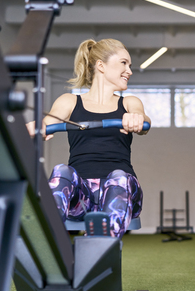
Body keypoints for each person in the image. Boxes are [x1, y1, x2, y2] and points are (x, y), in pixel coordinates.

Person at [27, 38, 151, 238]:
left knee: (119, 176)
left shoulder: (129, 102)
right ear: (101, 65)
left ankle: (99, 249)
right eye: (124, 63)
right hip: (81, 198)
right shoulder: (69, 101)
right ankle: (45, 244)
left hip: (122, 192)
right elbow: (46, 123)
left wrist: (136, 118)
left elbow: (143, 120)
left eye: (130, 65)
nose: (129, 71)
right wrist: (35, 127)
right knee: (61, 170)